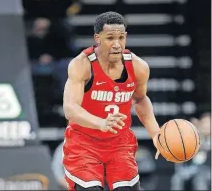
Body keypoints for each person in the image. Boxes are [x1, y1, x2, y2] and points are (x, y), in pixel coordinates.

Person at [62, 11, 162, 191]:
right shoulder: (82, 64)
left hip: (120, 143)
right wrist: (100, 123)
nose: (117, 44)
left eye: (121, 38)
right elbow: (70, 109)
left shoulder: (139, 67)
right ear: (97, 38)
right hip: (84, 142)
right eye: (110, 38)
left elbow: (140, 99)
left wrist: (156, 133)